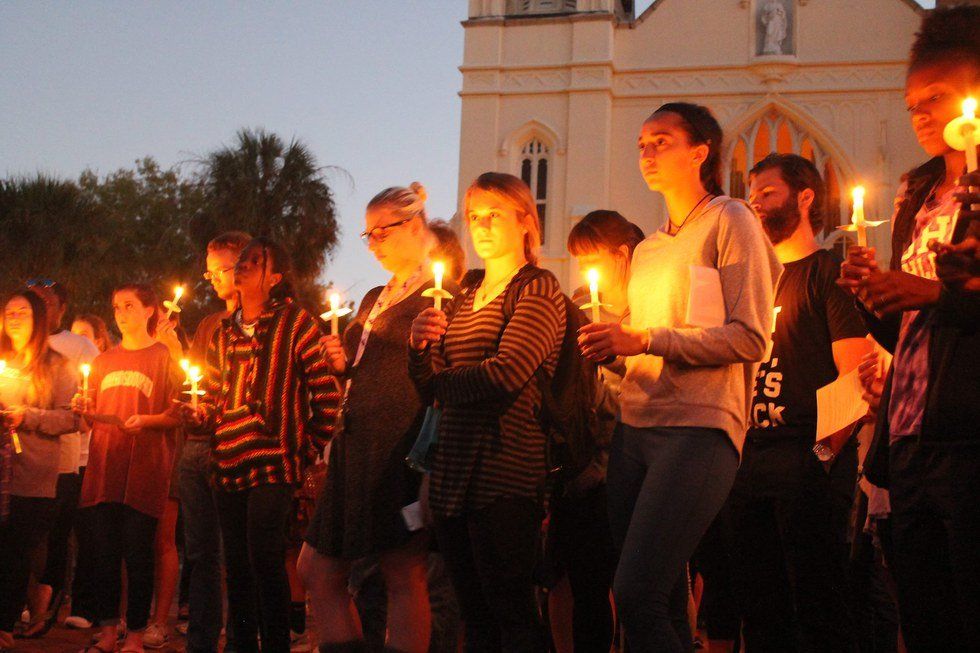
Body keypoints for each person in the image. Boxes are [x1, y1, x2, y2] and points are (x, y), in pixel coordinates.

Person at [578, 102, 781, 652]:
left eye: (662, 141)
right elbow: (651, 351)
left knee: (636, 590)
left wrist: (643, 339)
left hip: (698, 430)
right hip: (634, 429)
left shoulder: (730, 219)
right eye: (642, 143)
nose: (646, 151)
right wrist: (613, 348)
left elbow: (749, 337)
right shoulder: (647, 250)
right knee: (657, 598)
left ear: (700, 152)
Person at [838, 6, 980, 649]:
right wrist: (878, 297)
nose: (920, 114)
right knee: (926, 617)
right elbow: (907, 334)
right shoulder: (917, 193)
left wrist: (931, 293)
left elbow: (951, 304)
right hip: (911, 433)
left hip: (969, 433)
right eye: (912, 103)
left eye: (937, 98)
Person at [409, 172, 566, 651]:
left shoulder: (537, 288)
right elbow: (427, 382)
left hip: (506, 471)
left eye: (494, 214)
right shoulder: (464, 291)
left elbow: (506, 374)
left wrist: (440, 382)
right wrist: (419, 346)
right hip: (455, 474)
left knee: (511, 612)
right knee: (473, 613)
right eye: (475, 215)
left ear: (525, 222)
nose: (481, 225)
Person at [299, 182, 452, 653]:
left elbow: (439, 377)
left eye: (382, 232)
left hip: (399, 445)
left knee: (402, 570)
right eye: (368, 236)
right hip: (355, 444)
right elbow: (365, 373)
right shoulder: (373, 297)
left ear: (415, 225)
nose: (374, 245)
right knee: (316, 569)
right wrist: (342, 365)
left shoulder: (441, 294)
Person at [727, 153, 871, 652]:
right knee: (760, 612)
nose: (755, 205)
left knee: (819, 606)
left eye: (767, 194)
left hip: (808, 463)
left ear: (805, 198)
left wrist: (821, 461)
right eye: (751, 196)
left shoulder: (828, 275)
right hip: (749, 465)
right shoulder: (751, 284)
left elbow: (856, 380)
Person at [184, 237, 342, 653]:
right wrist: (199, 413)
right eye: (240, 262)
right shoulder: (223, 331)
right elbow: (214, 395)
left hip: (273, 466)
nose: (242, 267)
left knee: (265, 560)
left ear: (274, 277)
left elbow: (327, 396)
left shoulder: (296, 324)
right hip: (227, 465)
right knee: (236, 568)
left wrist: (302, 451)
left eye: (254, 262)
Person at [548, 210, 643, 653]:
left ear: (623, 255)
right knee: (586, 584)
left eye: (592, 257)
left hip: (639, 458)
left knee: (643, 586)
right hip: (586, 469)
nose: (585, 270)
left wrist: (616, 356)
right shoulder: (580, 306)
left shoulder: (651, 305)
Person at [74, 284, 182, 653]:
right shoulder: (103, 361)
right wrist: (84, 411)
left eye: (130, 305)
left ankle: (135, 634)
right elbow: (91, 421)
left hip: (145, 472)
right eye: (116, 306)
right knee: (104, 555)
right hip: (106, 469)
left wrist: (148, 421)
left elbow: (178, 413)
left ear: (151, 309)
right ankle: (107, 630)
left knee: (138, 555)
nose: (121, 313)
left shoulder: (162, 356)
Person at [179, 231, 251, 653]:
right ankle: (201, 641)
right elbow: (200, 384)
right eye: (210, 273)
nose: (215, 279)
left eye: (222, 269)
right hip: (198, 445)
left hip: (239, 448)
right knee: (201, 553)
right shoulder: (209, 324)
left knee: (241, 554)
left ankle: (245, 636)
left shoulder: (269, 320)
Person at [0, 289, 77, 650]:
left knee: (16, 551)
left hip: (32, 475)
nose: (14, 318)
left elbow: (71, 417)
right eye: (10, 312)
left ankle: (4, 623)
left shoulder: (57, 365)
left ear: (39, 320)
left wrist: (26, 416)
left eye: (23, 313)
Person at [22, 280, 100, 637]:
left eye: (44, 300)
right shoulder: (17, 345)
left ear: (60, 307)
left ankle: (50, 602)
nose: (38, 306)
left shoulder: (79, 347)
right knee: (26, 534)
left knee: (57, 534)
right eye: (31, 299)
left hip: (66, 459)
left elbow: (91, 399)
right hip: (19, 460)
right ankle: (25, 602)